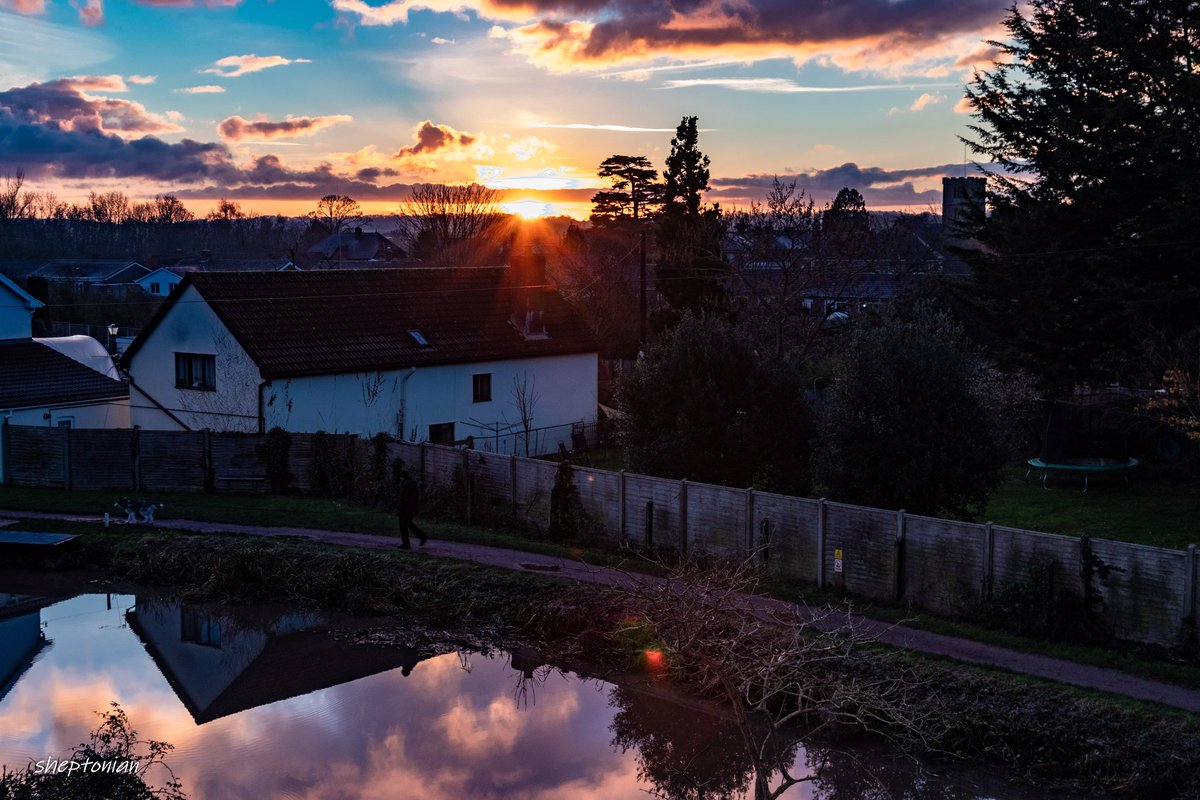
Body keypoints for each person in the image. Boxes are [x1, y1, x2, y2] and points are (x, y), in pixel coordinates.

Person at [393, 460, 426, 549]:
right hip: (411, 508)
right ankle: (421, 536)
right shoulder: (413, 484)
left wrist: (399, 508)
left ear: (402, 477)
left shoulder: (405, 485)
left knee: (403, 526)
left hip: (405, 509)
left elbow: (403, 499)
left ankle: (406, 543)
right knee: (409, 524)